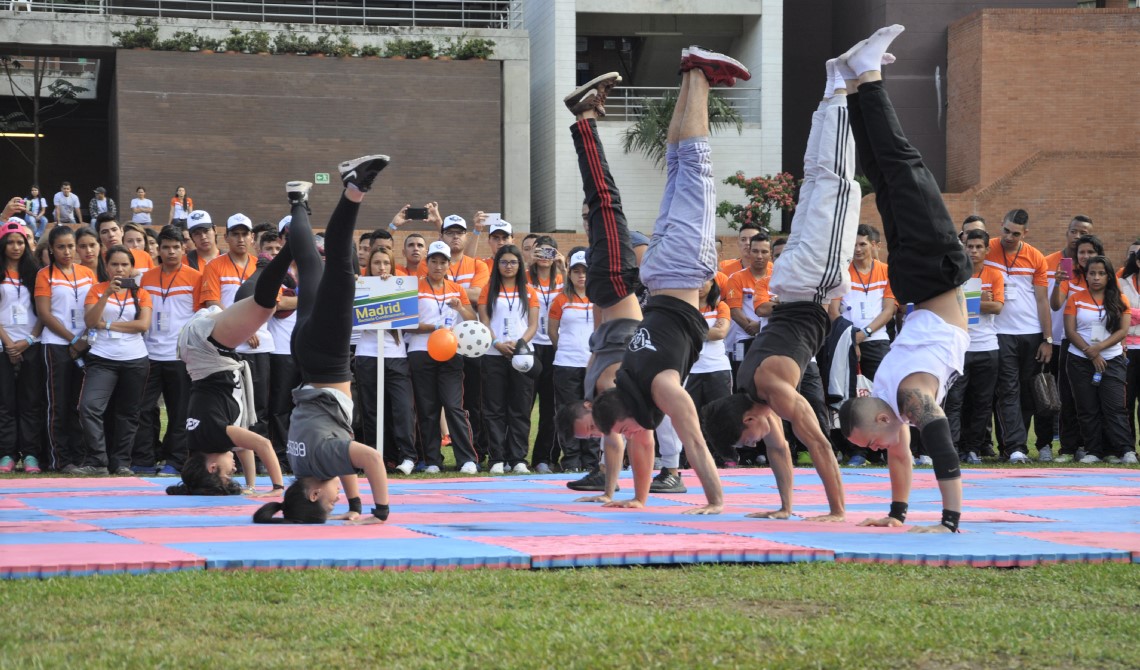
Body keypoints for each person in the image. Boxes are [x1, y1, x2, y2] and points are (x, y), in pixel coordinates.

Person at [563, 49, 744, 514]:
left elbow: (695, 442)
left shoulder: (658, 388)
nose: (628, 437)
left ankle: (699, 75)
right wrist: (635, 499)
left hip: (680, 272)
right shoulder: (625, 377)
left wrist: (715, 502)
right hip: (658, 271)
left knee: (696, 168)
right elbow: (644, 434)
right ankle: (689, 74)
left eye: (622, 431)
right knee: (680, 166)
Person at [701, 54, 863, 521]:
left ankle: (844, 89)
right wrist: (787, 508)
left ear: (749, 417)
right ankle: (833, 84)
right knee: (817, 182)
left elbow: (819, 444)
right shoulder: (749, 389)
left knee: (840, 186)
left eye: (746, 437)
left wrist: (837, 512)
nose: (752, 443)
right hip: (798, 282)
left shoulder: (773, 390)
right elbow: (780, 453)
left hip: (811, 283)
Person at [826, 25, 974, 533]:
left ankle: (867, 74)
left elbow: (941, 447)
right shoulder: (895, 400)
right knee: (889, 177)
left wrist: (949, 520)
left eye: (870, 443)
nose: (878, 452)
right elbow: (905, 456)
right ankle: (855, 79)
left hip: (933, 276)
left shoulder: (907, 396)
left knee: (903, 169)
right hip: (923, 281)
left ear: (882, 421)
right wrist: (898, 514)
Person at [252, 156, 394, 524]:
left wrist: (379, 512)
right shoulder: (301, 462)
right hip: (305, 354)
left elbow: (370, 459)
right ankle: (298, 201)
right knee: (311, 263)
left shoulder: (323, 461)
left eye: (328, 503)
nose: (335, 501)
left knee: (343, 272)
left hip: (328, 359)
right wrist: (354, 504)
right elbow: (341, 457)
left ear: (314, 493)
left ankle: (354, 187)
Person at [200, 213, 274, 450]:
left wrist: (250, 326)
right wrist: (242, 327)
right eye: (235, 234)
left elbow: (275, 301)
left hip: (260, 343)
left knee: (260, 402)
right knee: (233, 401)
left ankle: (260, 455)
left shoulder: (262, 265)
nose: (240, 239)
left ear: (252, 238)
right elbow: (212, 302)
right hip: (228, 345)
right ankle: (233, 453)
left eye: (245, 234)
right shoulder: (214, 266)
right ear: (226, 238)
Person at [78, 245, 152, 475]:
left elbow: (142, 325)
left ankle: (121, 463)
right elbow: (91, 321)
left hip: (135, 359)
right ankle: (98, 461)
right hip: (102, 358)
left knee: (128, 413)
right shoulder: (96, 290)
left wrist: (108, 324)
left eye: (124, 264)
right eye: (114, 264)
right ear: (106, 266)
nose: (119, 269)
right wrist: (107, 294)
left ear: (132, 267)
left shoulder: (141, 293)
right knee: (89, 406)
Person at [986, 208, 1053, 463]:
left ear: (1025, 233)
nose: (1009, 237)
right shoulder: (988, 248)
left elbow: (1042, 300)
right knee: (1007, 389)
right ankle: (1015, 447)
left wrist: (1047, 339)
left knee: (1027, 392)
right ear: (1000, 224)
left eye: (1015, 233)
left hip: (1031, 334)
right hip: (1000, 332)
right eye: (1006, 230)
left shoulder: (1035, 256)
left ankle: (1015, 446)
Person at [407, 240, 478, 474]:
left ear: (449, 264)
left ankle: (467, 458)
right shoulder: (414, 287)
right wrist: (433, 327)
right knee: (427, 407)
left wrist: (460, 308)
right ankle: (432, 460)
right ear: (427, 263)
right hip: (420, 350)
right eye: (434, 261)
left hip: (451, 352)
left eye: (443, 262)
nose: (438, 266)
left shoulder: (457, 288)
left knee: (453, 405)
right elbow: (407, 324)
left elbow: (470, 320)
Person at [136, 227, 201, 476]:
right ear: (158, 250)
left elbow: (200, 316)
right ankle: (144, 458)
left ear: (183, 249)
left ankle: (176, 461)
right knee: (143, 409)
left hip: (179, 356)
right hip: (149, 353)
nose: (171, 251)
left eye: (175, 247)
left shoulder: (196, 277)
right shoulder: (146, 278)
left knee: (179, 411)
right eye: (165, 247)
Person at [831, 223, 896, 466]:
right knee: (851, 398)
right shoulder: (842, 273)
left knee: (882, 396)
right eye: (854, 245)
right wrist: (851, 336)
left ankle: (884, 448)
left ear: (875, 245)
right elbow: (833, 310)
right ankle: (857, 451)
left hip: (877, 341)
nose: (858, 249)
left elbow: (889, 310)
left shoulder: (886, 271)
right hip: (847, 341)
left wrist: (866, 332)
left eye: (863, 244)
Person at [34, 225, 97, 472]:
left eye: (71, 246)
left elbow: (95, 311)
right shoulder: (44, 274)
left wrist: (84, 340)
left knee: (79, 404)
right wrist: (73, 340)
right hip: (56, 345)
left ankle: (79, 457)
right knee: (57, 404)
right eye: (61, 247)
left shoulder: (87, 273)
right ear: (51, 249)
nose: (67, 251)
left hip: (83, 344)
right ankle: (58, 459)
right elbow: (44, 314)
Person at [1064, 255, 1134, 464]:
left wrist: (1099, 349)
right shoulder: (1075, 298)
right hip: (1079, 360)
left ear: (1109, 276)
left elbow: (1122, 331)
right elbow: (1070, 331)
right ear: (1086, 275)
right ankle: (1093, 451)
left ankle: (1124, 450)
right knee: (1087, 408)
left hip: (1112, 359)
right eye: (1092, 273)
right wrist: (1090, 352)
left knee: (1115, 407)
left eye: (1101, 273)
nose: (1096, 277)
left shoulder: (1120, 299)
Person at [943, 229, 1004, 465]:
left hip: (987, 347)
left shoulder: (995, 275)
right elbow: (948, 305)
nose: (974, 251)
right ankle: (953, 448)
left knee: (982, 403)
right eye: (970, 246)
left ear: (987, 249)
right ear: (963, 247)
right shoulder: (955, 274)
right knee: (955, 400)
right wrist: (982, 300)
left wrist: (969, 301)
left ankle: (973, 449)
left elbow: (998, 307)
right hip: (959, 346)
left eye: (979, 247)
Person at [356, 245, 417, 472]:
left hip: (396, 356)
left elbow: (411, 319)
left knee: (401, 408)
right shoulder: (360, 287)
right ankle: (375, 457)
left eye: (385, 263)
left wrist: (392, 287)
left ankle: (407, 456)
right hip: (367, 355)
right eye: (376, 263)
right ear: (369, 266)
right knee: (371, 410)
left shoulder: (401, 285)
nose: (381, 267)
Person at [479, 244, 540, 474]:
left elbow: (532, 325)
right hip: (494, 354)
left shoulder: (529, 291)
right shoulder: (488, 289)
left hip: (522, 356)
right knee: (494, 408)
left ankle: (518, 459)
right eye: (504, 262)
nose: (508, 266)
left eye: (513, 262)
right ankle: (496, 458)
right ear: (497, 265)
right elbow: (484, 321)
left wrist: (520, 344)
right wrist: (496, 343)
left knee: (520, 407)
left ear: (519, 264)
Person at [1051, 234, 1106, 462]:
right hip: (1072, 343)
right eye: (1081, 252)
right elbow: (1055, 304)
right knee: (1069, 396)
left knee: (1094, 399)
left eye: (1090, 252)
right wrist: (1057, 282)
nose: (1085, 256)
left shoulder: (1104, 276)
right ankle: (1068, 447)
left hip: (1101, 345)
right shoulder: (1069, 276)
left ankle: (1091, 446)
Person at [0, 219, 45, 474]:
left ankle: (30, 454)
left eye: (20, 242)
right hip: (3, 345)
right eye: (11, 242)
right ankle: (7, 453)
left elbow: (43, 312)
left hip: (31, 343)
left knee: (30, 401)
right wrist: (9, 345)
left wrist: (26, 341)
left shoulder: (35, 273)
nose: (16, 247)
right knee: (5, 402)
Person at [548, 248, 597, 472]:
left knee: (592, 412)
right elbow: (552, 331)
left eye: (585, 271)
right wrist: (567, 350)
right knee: (569, 412)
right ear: (569, 273)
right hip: (566, 365)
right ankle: (571, 460)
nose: (581, 276)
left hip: (593, 365)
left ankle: (590, 460)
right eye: (576, 271)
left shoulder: (600, 299)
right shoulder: (560, 299)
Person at [525, 235, 564, 473]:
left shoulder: (563, 279)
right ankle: (516, 457)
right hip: (530, 344)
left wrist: (563, 266)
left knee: (550, 407)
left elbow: (581, 291)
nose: (545, 257)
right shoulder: (524, 279)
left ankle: (544, 458)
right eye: (540, 251)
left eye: (550, 252)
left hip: (556, 345)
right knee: (523, 405)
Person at [1119, 240, 1140, 452]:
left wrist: (1131, 314)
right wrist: (1128, 315)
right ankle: (1128, 449)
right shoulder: (1122, 283)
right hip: (1127, 349)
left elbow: (1128, 313)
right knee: (1126, 402)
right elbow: (1119, 312)